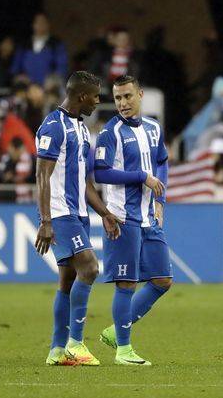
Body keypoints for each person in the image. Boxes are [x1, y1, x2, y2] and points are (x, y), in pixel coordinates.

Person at [36, 71, 121, 366]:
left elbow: (84, 180)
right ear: (82, 96)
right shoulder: (53, 125)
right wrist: (45, 220)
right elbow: (42, 174)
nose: (98, 102)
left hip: (80, 213)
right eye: (96, 97)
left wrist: (105, 212)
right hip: (61, 212)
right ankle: (76, 343)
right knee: (90, 267)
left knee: (68, 280)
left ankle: (57, 350)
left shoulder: (83, 130)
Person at [93, 75, 172, 366]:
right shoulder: (109, 132)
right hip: (122, 218)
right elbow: (100, 172)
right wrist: (142, 177)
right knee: (126, 284)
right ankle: (123, 350)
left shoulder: (153, 128)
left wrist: (161, 200)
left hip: (150, 218)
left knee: (162, 280)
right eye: (117, 99)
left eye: (127, 96)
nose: (123, 103)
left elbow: (162, 162)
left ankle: (116, 330)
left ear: (140, 94)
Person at [12, 12, 68, 85]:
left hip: (49, 87)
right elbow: (15, 68)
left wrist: (54, 79)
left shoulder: (55, 44)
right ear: (33, 25)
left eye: (43, 22)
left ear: (48, 24)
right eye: (37, 22)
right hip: (27, 87)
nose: (40, 25)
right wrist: (19, 77)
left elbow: (62, 67)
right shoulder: (24, 45)